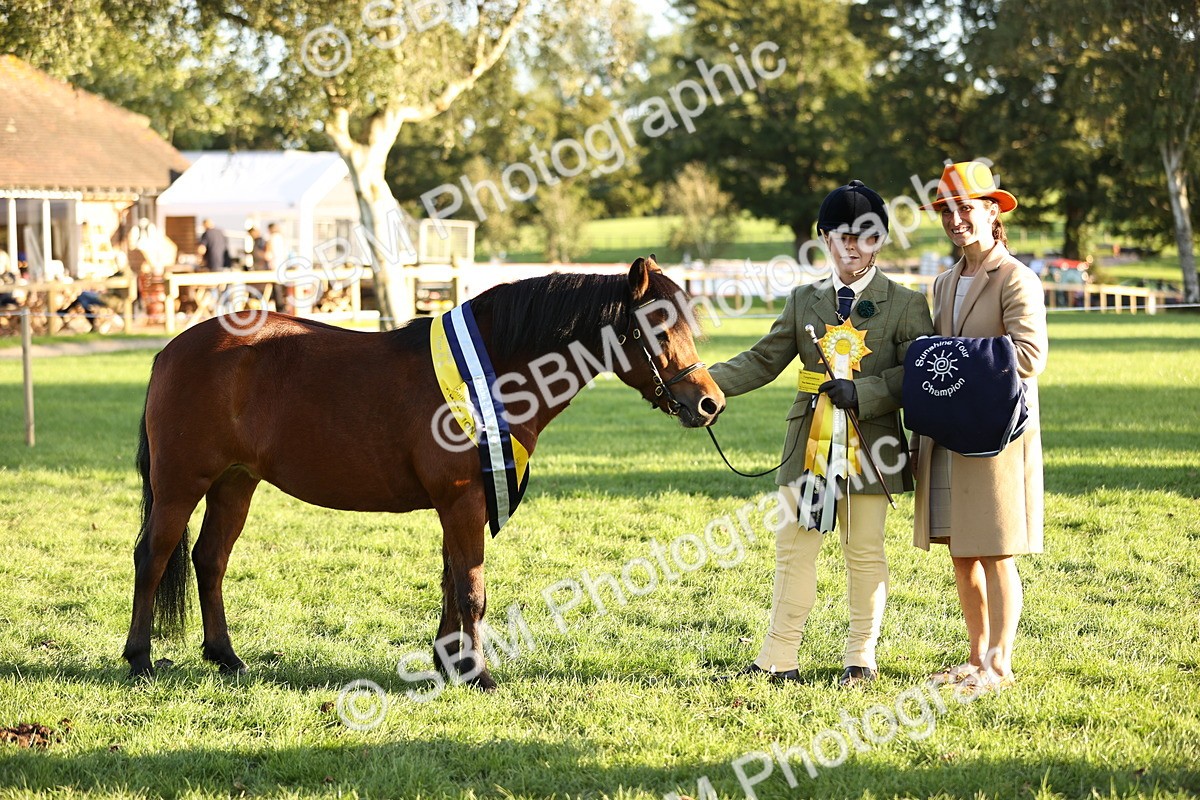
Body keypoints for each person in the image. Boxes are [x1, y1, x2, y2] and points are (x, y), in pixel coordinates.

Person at [711, 180, 935, 687]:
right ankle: (778, 658)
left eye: (867, 235)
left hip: (871, 443)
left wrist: (869, 391)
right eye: (842, 236)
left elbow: (919, 372)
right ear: (824, 238)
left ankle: (861, 658)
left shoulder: (904, 303)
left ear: (881, 240)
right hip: (808, 444)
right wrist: (703, 384)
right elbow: (763, 360)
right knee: (794, 548)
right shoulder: (802, 300)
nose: (853, 246)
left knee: (864, 551)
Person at [911, 161, 1048, 691]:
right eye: (947, 210)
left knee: (996, 548)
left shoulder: (1017, 277)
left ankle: (999, 664)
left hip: (997, 434)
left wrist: (953, 361)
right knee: (962, 549)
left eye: (966, 208)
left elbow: (1030, 356)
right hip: (949, 431)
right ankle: (974, 657)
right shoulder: (944, 281)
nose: (955, 219)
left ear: (993, 213)